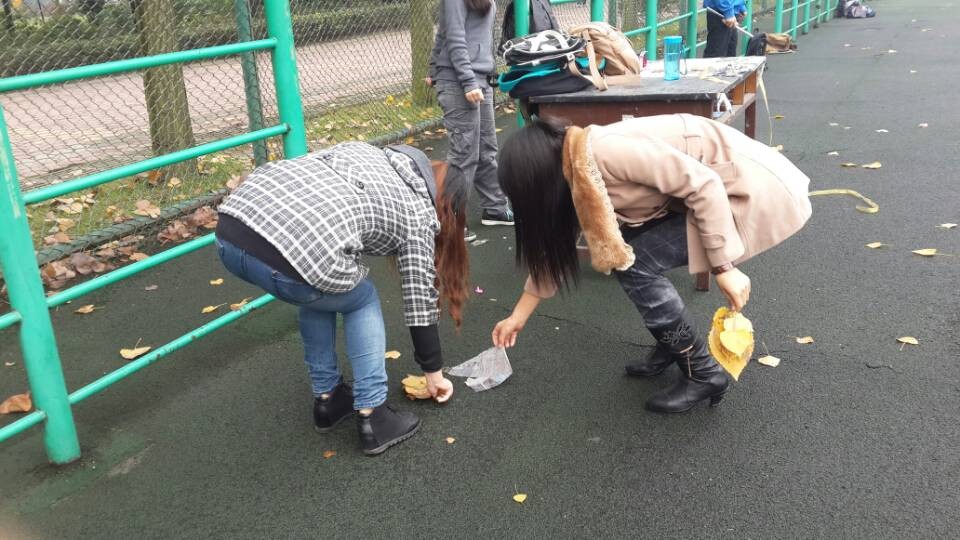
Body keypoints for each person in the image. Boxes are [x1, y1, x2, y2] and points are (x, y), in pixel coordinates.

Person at [491, 114, 812, 413]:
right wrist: (517, 316)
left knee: (635, 263)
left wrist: (723, 266)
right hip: (712, 193)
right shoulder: (575, 167)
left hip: (747, 191)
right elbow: (555, 251)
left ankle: (703, 373)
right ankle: (675, 346)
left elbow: (704, 184)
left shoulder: (605, 152)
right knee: (627, 252)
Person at [215, 142, 467, 455]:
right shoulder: (420, 211)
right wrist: (434, 374)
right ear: (447, 204)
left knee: (321, 288)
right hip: (285, 256)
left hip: (231, 230)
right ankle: (373, 414)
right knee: (361, 297)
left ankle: (329, 399)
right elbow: (419, 299)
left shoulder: (367, 151)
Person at [428, 0, 514, 242]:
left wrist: (432, 69)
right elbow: (454, 37)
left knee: (486, 147)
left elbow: (443, 32)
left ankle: (495, 208)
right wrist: (466, 81)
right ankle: (450, 218)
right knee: (464, 153)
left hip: (480, 78)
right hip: (460, 81)